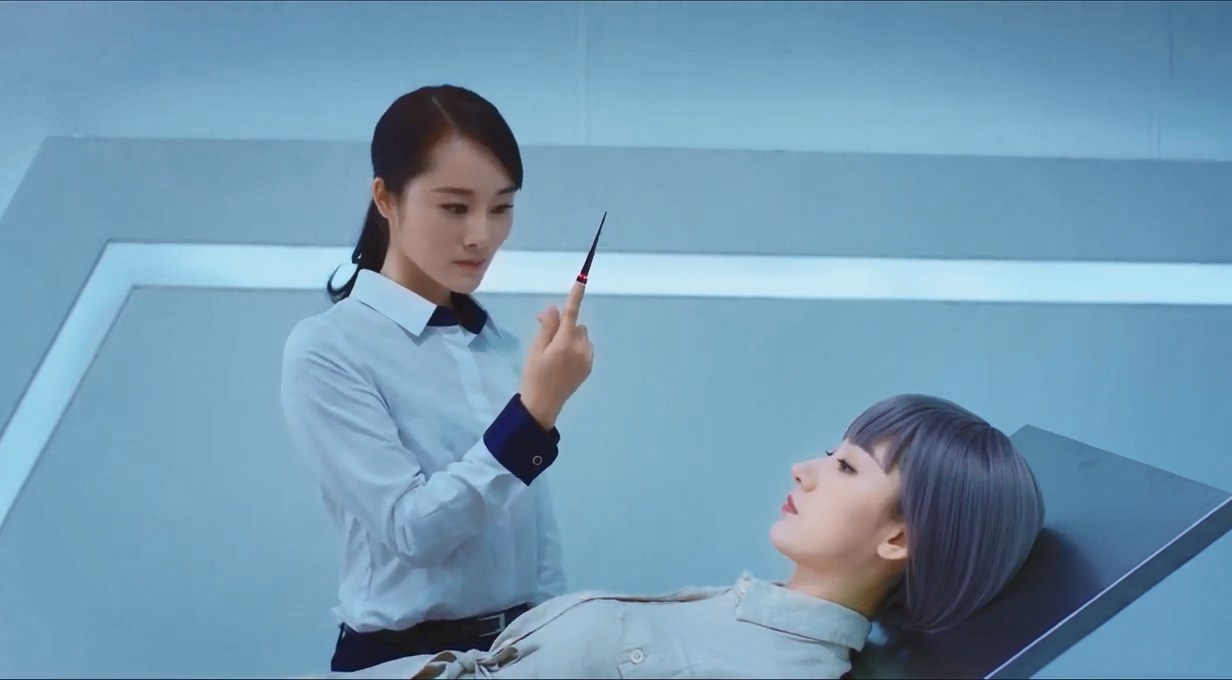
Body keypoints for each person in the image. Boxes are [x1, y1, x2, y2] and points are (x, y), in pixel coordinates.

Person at [307, 393, 1046, 679]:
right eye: (831, 451)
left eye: (847, 467)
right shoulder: (746, 617)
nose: (806, 469)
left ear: (899, 541)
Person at [280, 84, 596, 673]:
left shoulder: (496, 343)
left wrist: (556, 639)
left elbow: (533, 534)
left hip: (519, 655)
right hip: (402, 661)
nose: (482, 235)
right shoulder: (328, 349)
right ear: (385, 197)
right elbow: (413, 532)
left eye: (501, 208)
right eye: (454, 207)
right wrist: (532, 418)